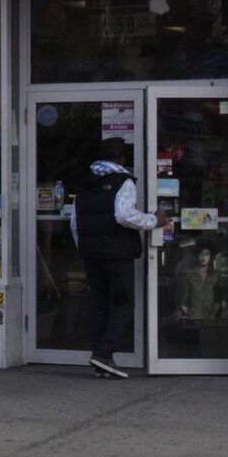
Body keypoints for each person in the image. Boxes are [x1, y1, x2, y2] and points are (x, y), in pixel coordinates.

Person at [69, 147, 160, 378]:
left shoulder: (84, 182)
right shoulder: (123, 181)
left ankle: (100, 354)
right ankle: (104, 353)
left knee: (99, 303)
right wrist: (153, 220)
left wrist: (84, 246)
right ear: (121, 159)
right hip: (118, 254)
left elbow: (75, 222)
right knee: (123, 303)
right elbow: (125, 215)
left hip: (91, 254)